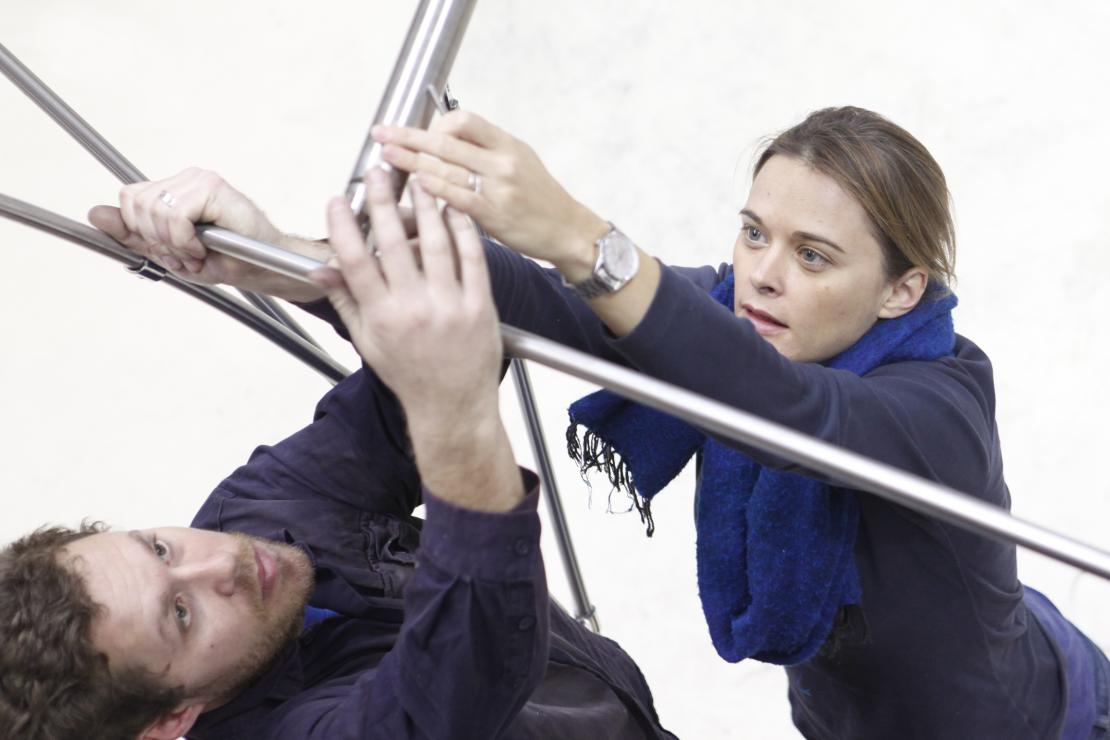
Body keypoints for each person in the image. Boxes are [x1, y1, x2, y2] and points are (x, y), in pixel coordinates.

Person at [355, 106, 1107, 738]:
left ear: (900, 291)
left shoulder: (937, 406)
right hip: (844, 714)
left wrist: (580, 234)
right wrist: (310, 258)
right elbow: (550, 304)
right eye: (754, 233)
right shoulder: (729, 320)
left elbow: (785, 410)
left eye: (812, 256)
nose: (763, 275)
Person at [0, 168, 676, 739]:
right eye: (182, 614)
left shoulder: (252, 513)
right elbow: (471, 660)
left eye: (157, 549)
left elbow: (464, 321)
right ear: (171, 720)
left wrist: (279, 262)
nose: (221, 561)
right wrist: (455, 418)